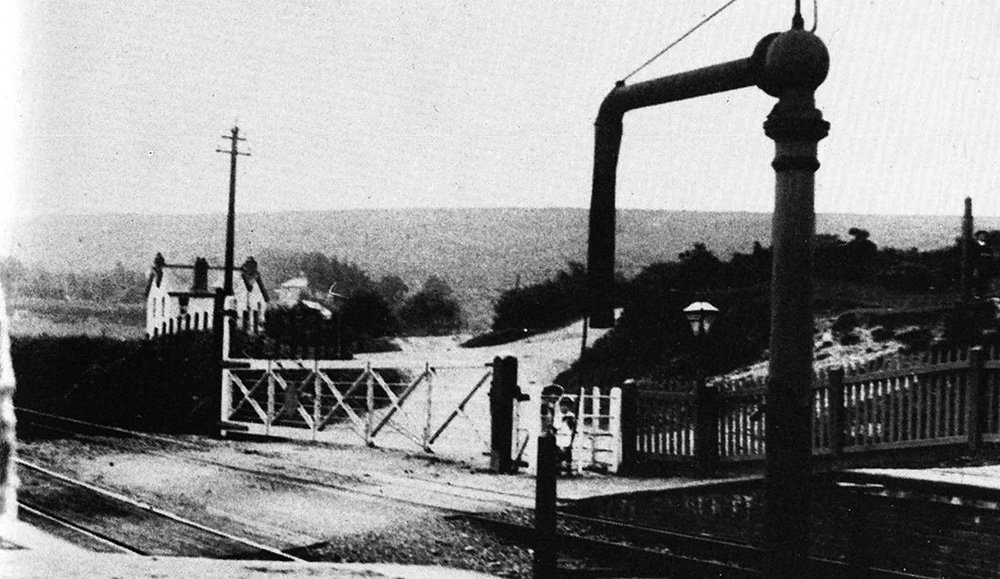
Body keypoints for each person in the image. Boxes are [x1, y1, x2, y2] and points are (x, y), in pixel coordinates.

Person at [974, 230, 994, 297]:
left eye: (984, 235)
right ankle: (977, 295)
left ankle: (983, 295)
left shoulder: (987, 246)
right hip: (978, 266)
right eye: (981, 235)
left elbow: (991, 256)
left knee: (985, 281)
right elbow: (974, 257)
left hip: (986, 266)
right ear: (978, 236)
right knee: (978, 281)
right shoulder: (974, 245)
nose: (983, 237)